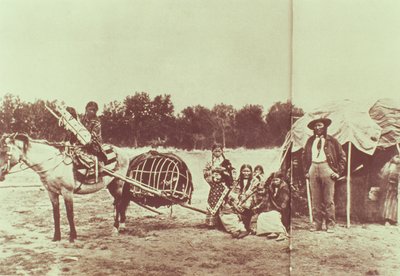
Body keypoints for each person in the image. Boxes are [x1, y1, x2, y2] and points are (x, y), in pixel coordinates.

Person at [302, 118, 346, 233]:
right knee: (315, 199)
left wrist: (337, 172)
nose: (318, 128)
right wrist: (307, 170)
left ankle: (330, 224)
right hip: (313, 167)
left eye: (320, 125)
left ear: (325, 127)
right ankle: (317, 224)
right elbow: (304, 156)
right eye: (316, 126)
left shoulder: (332, 141)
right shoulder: (310, 141)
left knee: (328, 199)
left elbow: (342, 157)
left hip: (327, 168)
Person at [249, 172, 289, 241]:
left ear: (281, 180)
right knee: (262, 216)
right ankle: (271, 231)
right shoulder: (271, 186)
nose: (275, 182)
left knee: (275, 216)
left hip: (283, 209)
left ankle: (281, 232)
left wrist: (280, 209)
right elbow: (263, 186)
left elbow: (285, 201)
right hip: (273, 207)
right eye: (273, 180)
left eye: (277, 180)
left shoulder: (284, 187)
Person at [381, 155, 400, 226]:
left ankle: (394, 219)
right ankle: (387, 219)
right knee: (389, 201)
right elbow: (388, 174)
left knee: (395, 202)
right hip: (392, 185)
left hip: (396, 186)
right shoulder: (393, 162)